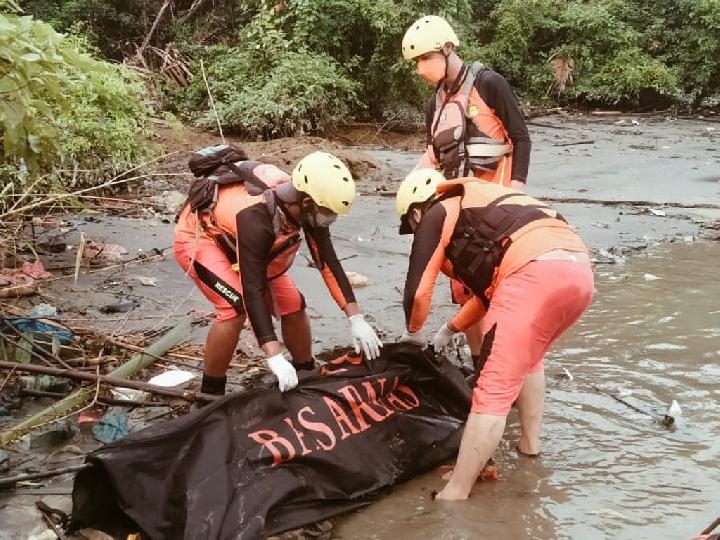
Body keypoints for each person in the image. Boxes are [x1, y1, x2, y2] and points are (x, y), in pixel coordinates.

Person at [396, 168, 594, 500]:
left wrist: (413, 333)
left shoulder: (437, 210)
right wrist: (450, 328)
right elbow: (487, 299)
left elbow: (417, 293)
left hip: (532, 274)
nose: (417, 232)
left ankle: (455, 494)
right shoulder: (483, 201)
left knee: (492, 390)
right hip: (578, 271)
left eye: (412, 227)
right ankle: (529, 447)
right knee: (528, 360)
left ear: (416, 210)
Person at [174, 148, 382, 396]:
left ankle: (305, 371)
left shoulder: (310, 206)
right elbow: (252, 287)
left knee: (293, 304)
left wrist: (355, 318)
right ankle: (210, 392)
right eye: (328, 213)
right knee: (234, 308)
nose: (330, 219)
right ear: (304, 201)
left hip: (246, 243)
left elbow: (328, 262)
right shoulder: (257, 216)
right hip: (202, 237)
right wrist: (274, 356)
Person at [401, 14, 533, 365]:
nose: (420, 68)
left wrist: (518, 191)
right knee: (464, 288)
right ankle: (479, 363)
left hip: (498, 203)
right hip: (462, 206)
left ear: (447, 49)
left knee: (497, 288)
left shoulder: (489, 84)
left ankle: (502, 360)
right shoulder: (436, 103)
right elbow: (434, 153)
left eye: (425, 58)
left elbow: (520, 136)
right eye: (416, 62)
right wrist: (409, 190)